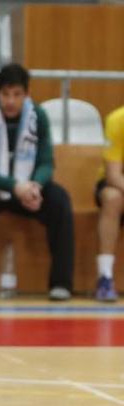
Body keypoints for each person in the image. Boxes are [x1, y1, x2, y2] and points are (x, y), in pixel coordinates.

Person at [0, 63, 74, 301]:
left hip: (26, 187)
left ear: (26, 94)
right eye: (5, 94)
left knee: (60, 201)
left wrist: (36, 186)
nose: (11, 101)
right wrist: (15, 186)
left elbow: (46, 161)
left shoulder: (37, 116)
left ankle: (61, 282)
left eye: (17, 95)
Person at [94, 105, 124, 302]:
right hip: (117, 183)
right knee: (113, 198)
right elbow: (114, 175)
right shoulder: (118, 119)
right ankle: (105, 277)